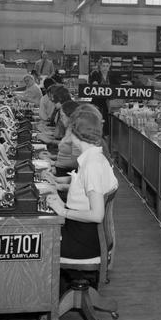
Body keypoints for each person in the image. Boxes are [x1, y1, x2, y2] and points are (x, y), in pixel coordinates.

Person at [45, 106, 119, 265]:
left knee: (39, 245)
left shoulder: (91, 166)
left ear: (73, 133)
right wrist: (62, 202)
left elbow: (97, 215)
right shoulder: (95, 158)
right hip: (84, 234)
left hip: (83, 242)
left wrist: (63, 211)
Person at [90, 57, 119, 135]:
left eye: (107, 66)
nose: (105, 68)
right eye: (103, 66)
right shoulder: (95, 74)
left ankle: (104, 136)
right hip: (97, 102)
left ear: (109, 66)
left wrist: (127, 84)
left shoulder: (112, 76)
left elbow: (118, 86)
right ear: (100, 66)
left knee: (105, 120)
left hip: (107, 102)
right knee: (96, 119)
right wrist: (94, 83)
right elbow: (93, 81)